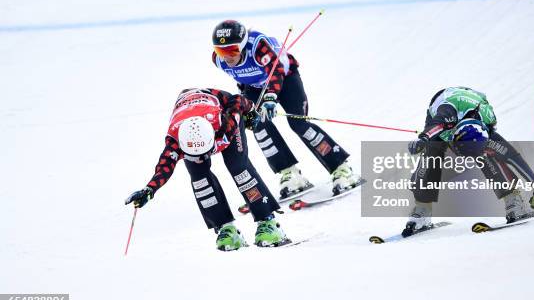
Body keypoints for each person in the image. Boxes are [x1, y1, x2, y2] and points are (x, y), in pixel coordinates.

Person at [211, 20, 361, 199]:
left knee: (298, 124)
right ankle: (289, 173)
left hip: (286, 78)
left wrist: (271, 96)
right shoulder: (218, 61)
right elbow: (242, 77)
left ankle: (341, 167)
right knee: (257, 124)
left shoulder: (258, 46)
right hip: (256, 86)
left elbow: (277, 72)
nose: (227, 57)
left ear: (243, 45)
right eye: (221, 51)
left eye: (232, 50)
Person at [124, 88, 290, 250]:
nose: (203, 157)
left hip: (216, 109)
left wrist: (251, 110)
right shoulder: (174, 139)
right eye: (196, 155)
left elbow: (238, 100)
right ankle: (225, 229)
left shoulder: (225, 122)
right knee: (199, 179)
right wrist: (149, 190)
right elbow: (164, 167)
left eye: (206, 153)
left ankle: (268, 221)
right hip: (188, 115)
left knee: (239, 167)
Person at [405, 87, 534, 234]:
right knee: (431, 152)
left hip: (473, 108)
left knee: (488, 154)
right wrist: (423, 139)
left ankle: (514, 203)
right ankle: (422, 209)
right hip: (445, 105)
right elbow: (436, 126)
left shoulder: (487, 122)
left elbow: (512, 156)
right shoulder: (447, 115)